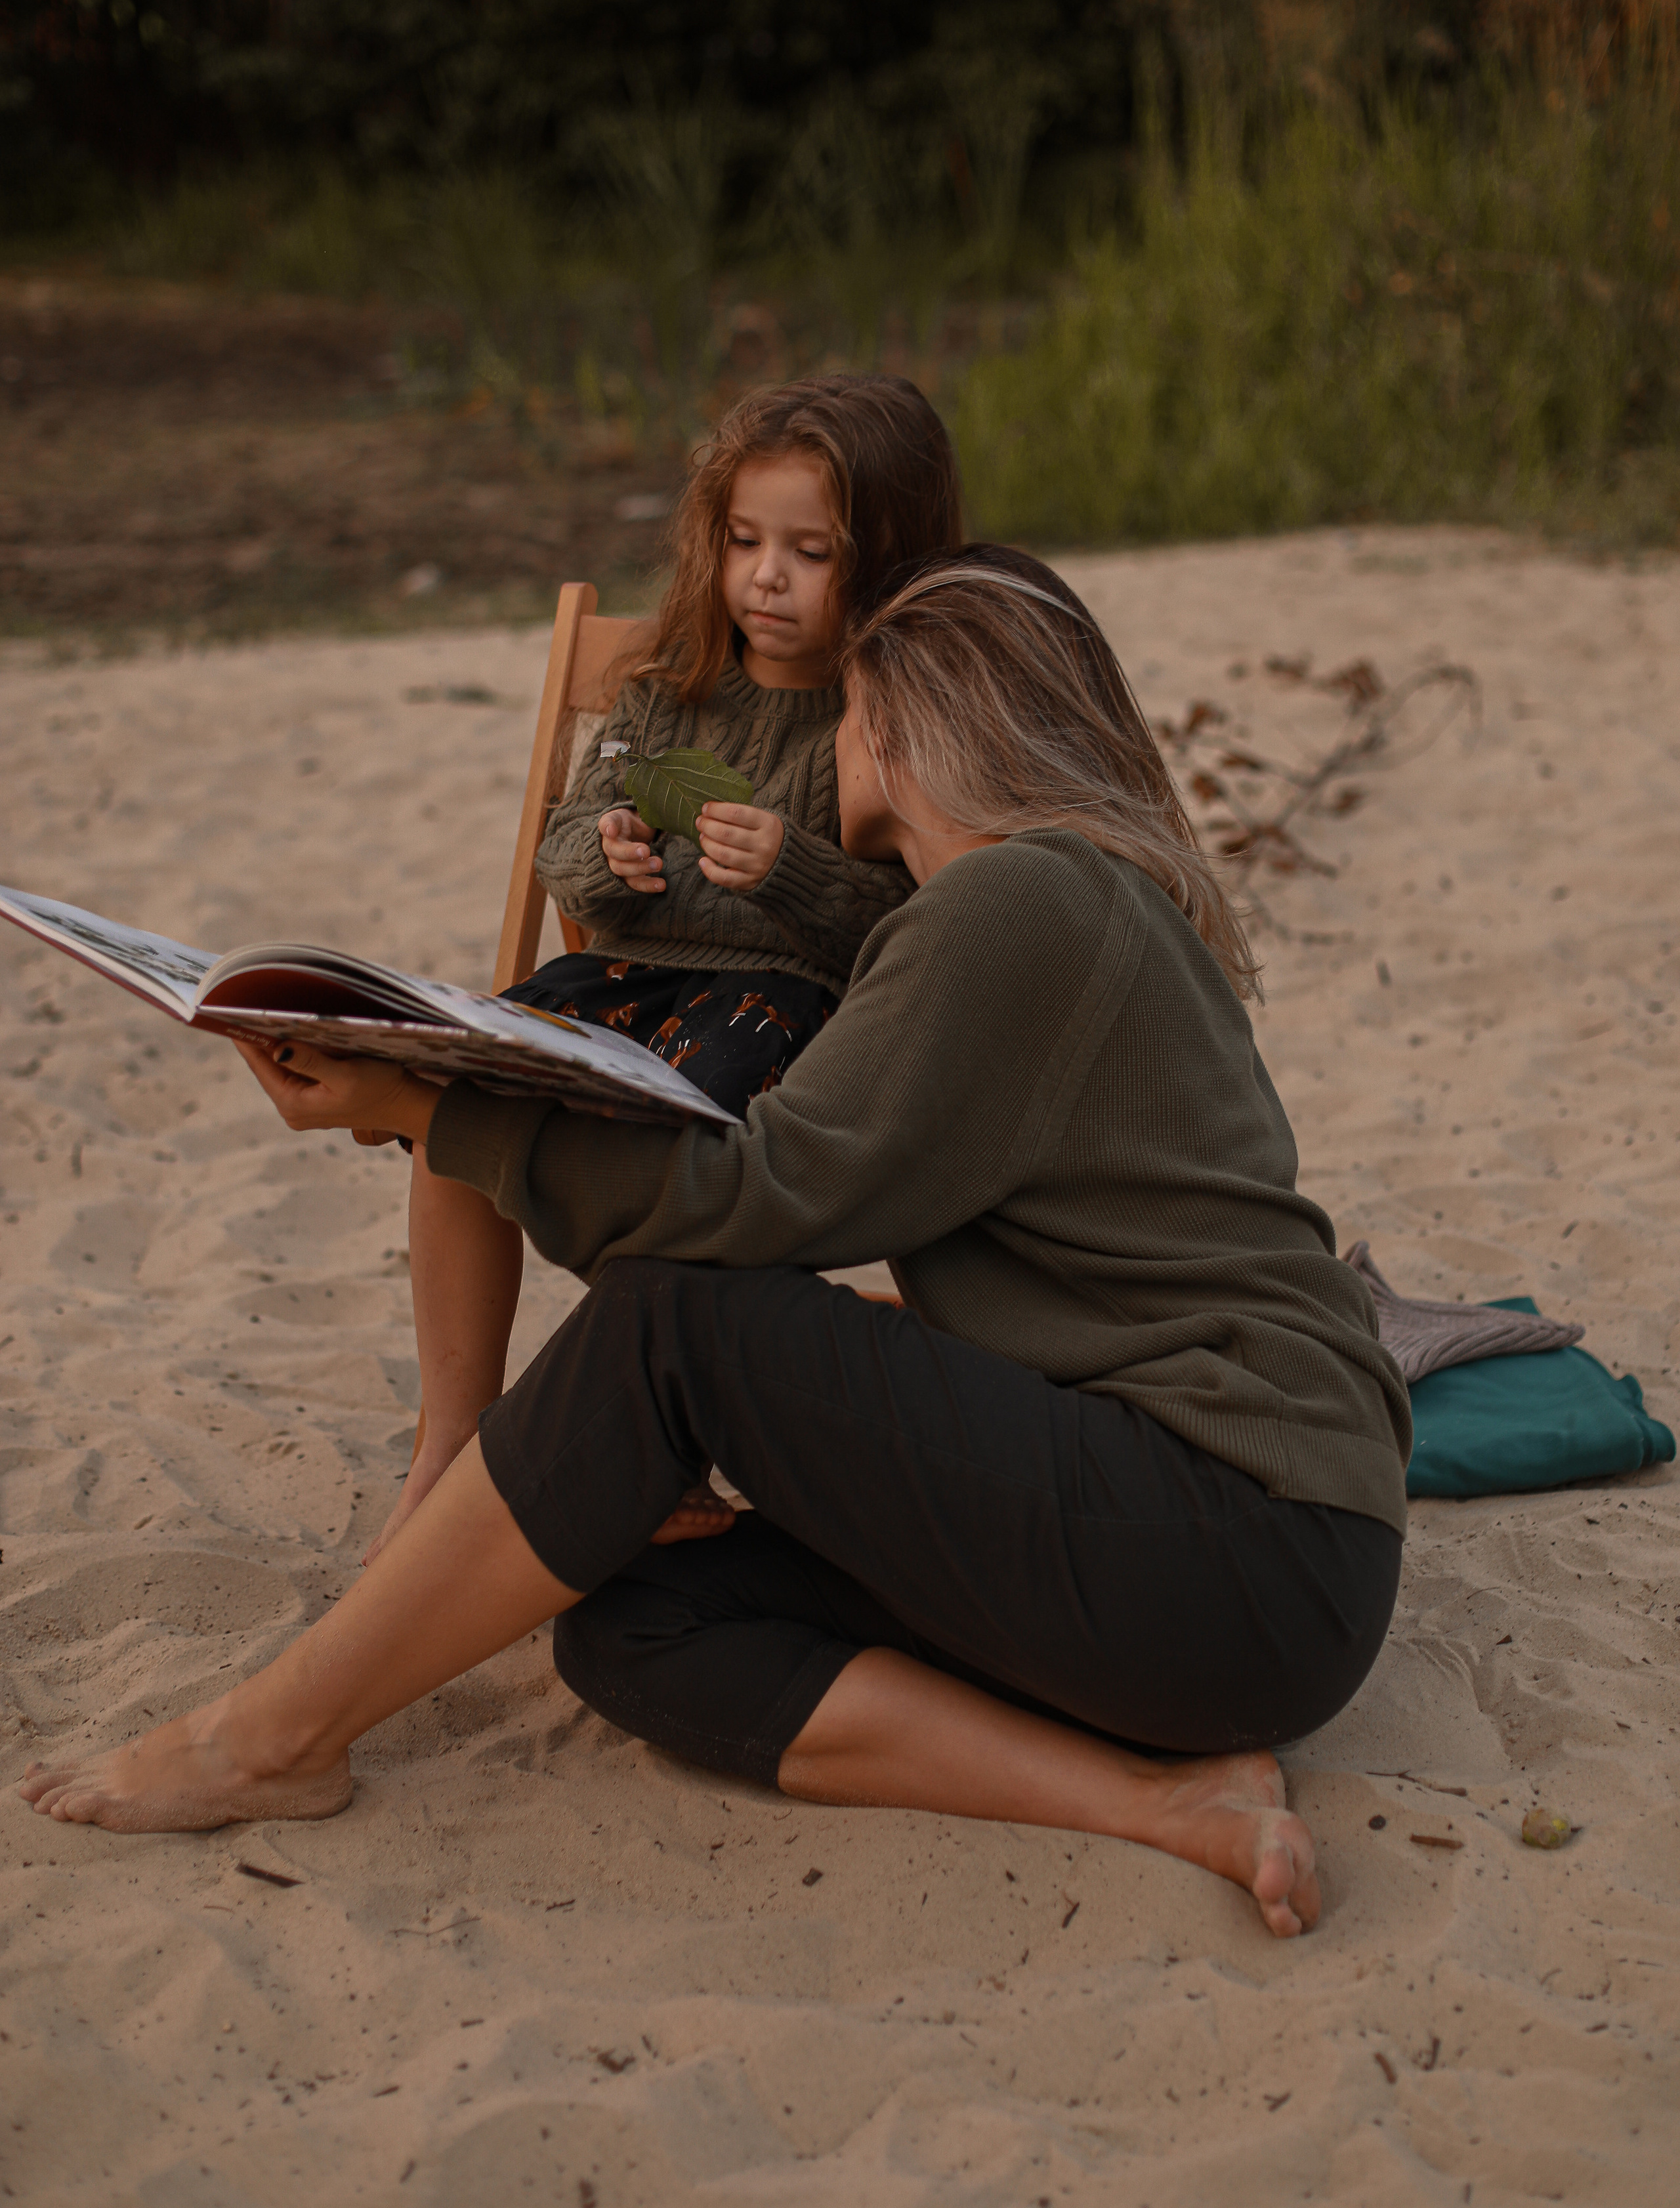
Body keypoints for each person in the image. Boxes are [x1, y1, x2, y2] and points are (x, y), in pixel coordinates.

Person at [20, 550, 1410, 1940]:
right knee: (636, 1620)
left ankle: (273, 1736)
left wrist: (432, 1106)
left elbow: (752, 1206)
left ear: (909, 723)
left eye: (850, 710)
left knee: (674, 1322)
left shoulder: (1016, 903)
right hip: (1231, 1582)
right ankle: (1159, 1801)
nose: (830, 742)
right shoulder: (1066, 905)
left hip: (1234, 1536)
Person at [387, 373, 961, 1559]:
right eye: (746, 541)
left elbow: (919, 932)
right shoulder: (660, 693)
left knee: (679, 1134)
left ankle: (657, 1443)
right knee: (455, 1101)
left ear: (885, 563)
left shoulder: (887, 725)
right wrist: (605, 856)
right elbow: (560, 846)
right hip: (623, 978)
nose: (766, 576)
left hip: (786, 1008)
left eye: (810, 551)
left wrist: (796, 871)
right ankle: (454, 1432)